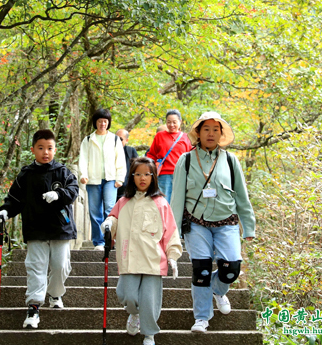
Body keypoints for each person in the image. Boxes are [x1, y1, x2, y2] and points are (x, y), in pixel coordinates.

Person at [170, 111, 256, 333]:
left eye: (215, 130)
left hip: (226, 222)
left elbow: (242, 196)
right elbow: (177, 198)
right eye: (206, 129)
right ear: (198, 133)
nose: (211, 133)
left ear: (221, 134)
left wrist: (249, 226)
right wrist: (173, 231)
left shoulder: (230, 160)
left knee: (231, 268)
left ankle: (218, 290)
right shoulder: (186, 160)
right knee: (202, 270)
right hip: (196, 223)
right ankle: (201, 317)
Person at [0, 129, 79, 329]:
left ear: (55, 149)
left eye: (49, 148)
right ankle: (33, 307)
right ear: (33, 149)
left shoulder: (63, 171)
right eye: (41, 148)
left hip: (60, 228)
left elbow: (74, 190)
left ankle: (55, 293)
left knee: (60, 266)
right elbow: (15, 198)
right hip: (35, 228)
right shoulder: (26, 175)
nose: (45, 152)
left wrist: (59, 194)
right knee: (36, 267)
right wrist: (6, 211)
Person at [101, 157, 182, 345]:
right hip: (129, 257)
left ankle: (149, 334)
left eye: (147, 174)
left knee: (150, 300)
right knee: (126, 294)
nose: (142, 178)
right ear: (132, 176)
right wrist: (108, 223)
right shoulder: (123, 201)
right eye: (138, 174)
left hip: (154, 259)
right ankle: (134, 314)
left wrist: (173, 256)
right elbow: (113, 219)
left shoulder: (161, 203)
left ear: (154, 177)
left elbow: (170, 231)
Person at [78, 108, 126, 250]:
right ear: (95, 122)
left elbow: (120, 159)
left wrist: (120, 178)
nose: (102, 124)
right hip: (93, 180)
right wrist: (83, 174)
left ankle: (110, 240)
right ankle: (98, 242)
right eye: (100, 121)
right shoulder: (88, 140)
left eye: (105, 121)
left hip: (111, 179)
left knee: (110, 210)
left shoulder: (115, 139)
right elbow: (83, 159)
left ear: (108, 123)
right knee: (94, 212)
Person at [146, 110, 192, 202]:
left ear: (180, 122)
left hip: (181, 173)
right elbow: (151, 154)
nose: (171, 125)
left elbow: (192, 156)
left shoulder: (187, 137)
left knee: (179, 201)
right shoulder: (160, 136)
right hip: (164, 174)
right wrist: (153, 166)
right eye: (169, 122)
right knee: (163, 201)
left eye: (174, 122)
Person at [116, 128, 139, 201]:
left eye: (121, 139)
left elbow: (137, 167)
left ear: (126, 140)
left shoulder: (131, 151)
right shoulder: (109, 150)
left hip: (127, 188)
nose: (118, 141)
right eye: (116, 138)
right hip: (112, 186)